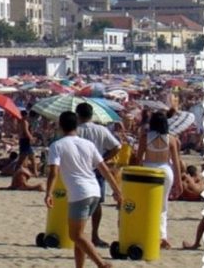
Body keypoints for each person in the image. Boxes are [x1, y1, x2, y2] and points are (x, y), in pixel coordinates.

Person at [45, 110, 122, 268]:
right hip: (94, 190)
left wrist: (48, 193)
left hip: (79, 193)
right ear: (76, 126)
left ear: (60, 126)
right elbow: (104, 169)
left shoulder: (57, 145)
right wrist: (116, 190)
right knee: (80, 235)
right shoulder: (88, 144)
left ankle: (102, 264)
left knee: (75, 235)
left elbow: (53, 172)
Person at [74, 103, 121, 248]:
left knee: (77, 202)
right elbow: (117, 147)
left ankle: (77, 234)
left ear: (78, 115)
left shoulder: (76, 130)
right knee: (97, 202)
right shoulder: (101, 129)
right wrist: (104, 159)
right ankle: (94, 235)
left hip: (80, 168)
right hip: (97, 168)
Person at [135, 111, 183, 250]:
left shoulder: (145, 137)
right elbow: (176, 162)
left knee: (146, 204)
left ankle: (146, 232)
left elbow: (138, 159)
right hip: (166, 171)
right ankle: (162, 236)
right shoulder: (172, 139)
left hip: (148, 170)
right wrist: (178, 182)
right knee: (162, 206)